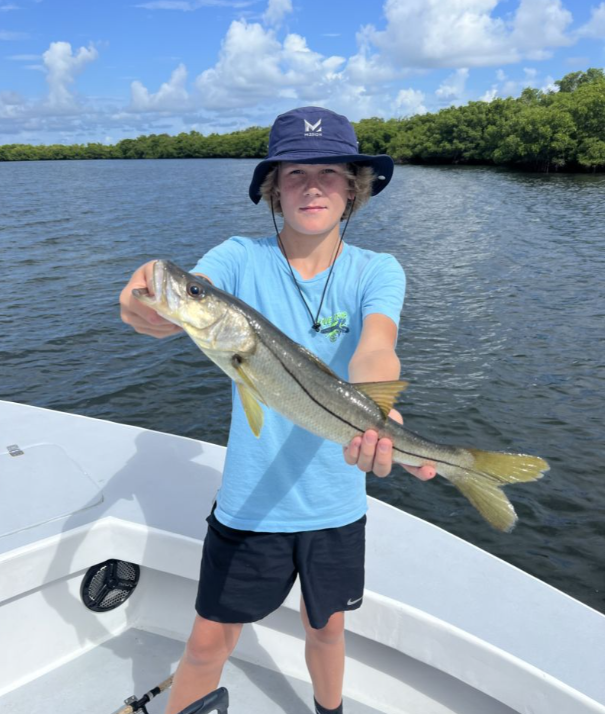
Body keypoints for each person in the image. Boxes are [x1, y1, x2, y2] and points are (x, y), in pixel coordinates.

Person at [119, 106, 436, 714]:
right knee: (209, 640)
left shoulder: (378, 270)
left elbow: (377, 347)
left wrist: (379, 411)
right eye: (294, 173)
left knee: (327, 630)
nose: (312, 185)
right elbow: (174, 299)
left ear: (354, 187)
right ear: (273, 188)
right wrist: (145, 302)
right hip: (249, 501)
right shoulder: (239, 258)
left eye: (329, 171)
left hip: (337, 501)